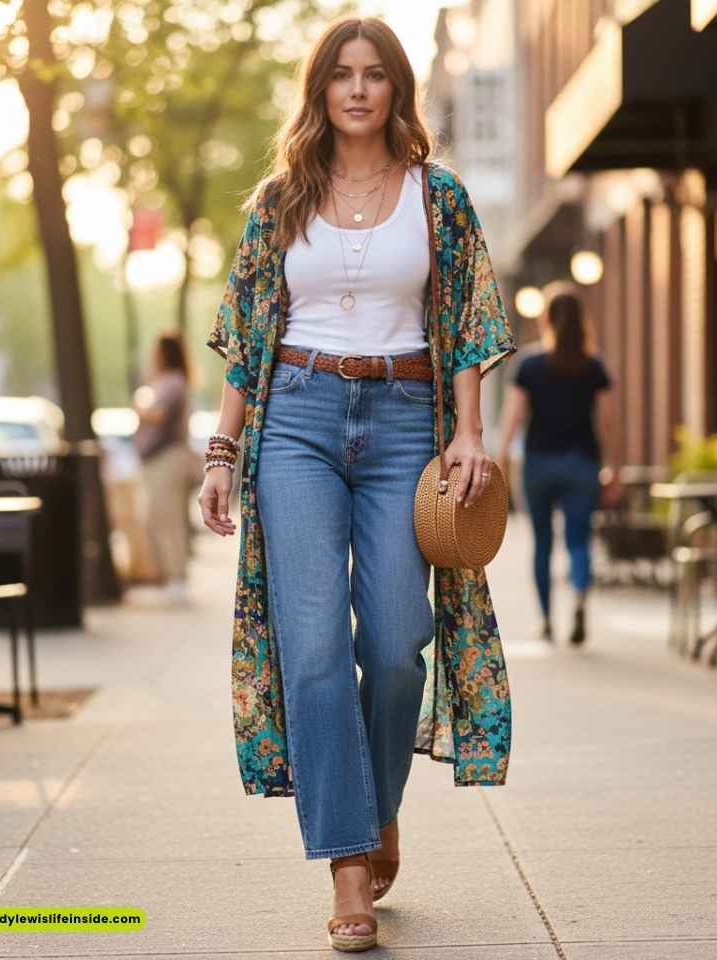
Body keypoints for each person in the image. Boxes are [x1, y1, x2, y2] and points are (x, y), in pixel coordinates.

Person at [198, 16, 517, 953]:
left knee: (396, 637)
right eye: (341, 75)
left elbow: (465, 317)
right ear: (321, 90)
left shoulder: (438, 196)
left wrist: (469, 434)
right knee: (311, 648)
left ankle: (379, 805)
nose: (358, 89)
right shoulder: (282, 197)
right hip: (294, 417)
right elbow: (249, 332)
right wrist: (223, 451)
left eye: (375, 74)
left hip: (400, 427)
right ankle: (349, 860)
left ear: (397, 89)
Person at [498, 287, 622, 645]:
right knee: (578, 539)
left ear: (546, 319)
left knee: (541, 542)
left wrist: (502, 460)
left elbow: (513, 418)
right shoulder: (593, 366)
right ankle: (580, 600)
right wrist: (612, 466)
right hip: (582, 463)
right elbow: (607, 422)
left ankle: (547, 620)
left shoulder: (530, 365)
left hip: (538, 464)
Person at [133, 331, 192, 605]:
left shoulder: (172, 383)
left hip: (167, 458)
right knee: (161, 518)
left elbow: (158, 414)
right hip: (158, 458)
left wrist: (140, 406)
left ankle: (176, 579)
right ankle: (170, 577)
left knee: (167, 519)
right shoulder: (167, 382)